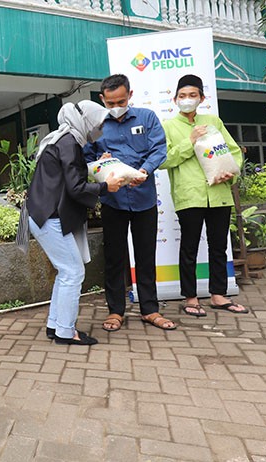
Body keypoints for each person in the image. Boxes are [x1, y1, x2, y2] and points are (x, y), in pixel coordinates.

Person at [83, 74, 176, 332]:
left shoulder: (147, 118)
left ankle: (150, 310)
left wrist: (144, 171)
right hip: (113, 201)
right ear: (102, 99)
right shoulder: (97, 127)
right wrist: (99, 161)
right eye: (110, 102)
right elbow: (87, 159)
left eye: (121, 101)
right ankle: (115, 311)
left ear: (130, 95)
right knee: (114, 257)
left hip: (144, 199)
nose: (116, 107)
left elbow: (158, 149)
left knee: (146, 256)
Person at [26, 100, 122, 346]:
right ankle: (65, 333)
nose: (99, 130)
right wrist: (105, 187)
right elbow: (76, 187)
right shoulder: (69, 143)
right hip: (50, 217)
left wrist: (99, 166)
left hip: (42, 215)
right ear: (86, 121)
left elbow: (68, 174)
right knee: (73, 272)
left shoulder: (62, 139)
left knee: (66, 271)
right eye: (98, 124)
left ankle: (55, 325)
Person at [160, 74, 249, 315]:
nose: (187, 100)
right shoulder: (168, 126)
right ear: (174, 98)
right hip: (189, 195)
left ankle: (218, 295)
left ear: (202, 97)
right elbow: (164, 160)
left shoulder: (213, 121)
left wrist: (230, 173)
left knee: (219, 245)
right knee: (189, 247)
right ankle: (190, 298)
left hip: (218, 193)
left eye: (192, 95)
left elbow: (233, 151)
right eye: (182, 96)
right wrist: (190, 141)